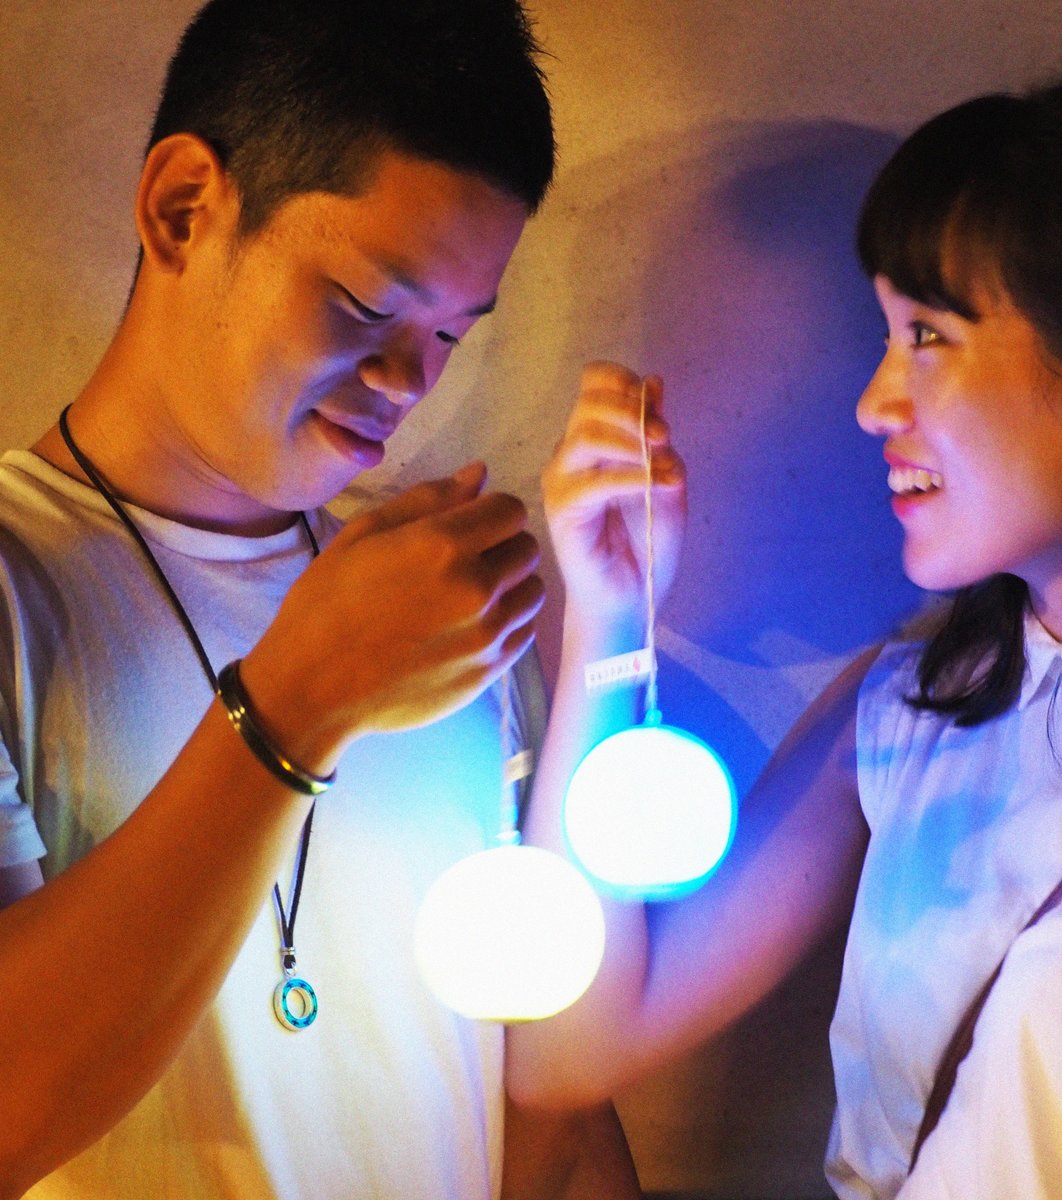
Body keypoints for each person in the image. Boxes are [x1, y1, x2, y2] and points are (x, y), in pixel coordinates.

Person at [0, 2, 683, 1195]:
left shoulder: (429, 588)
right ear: (182, 209)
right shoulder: (23, 581)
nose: (404, 383)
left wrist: (609, 627)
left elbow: (551, 1100)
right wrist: (300, 696)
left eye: (452, 336)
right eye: (368, 307)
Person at [509, 80, 1062, 1199]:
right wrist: (614, 622)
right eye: (881, 334)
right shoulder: (918, 708)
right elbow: (566, 1056)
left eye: (927, 336)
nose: (872, 403)